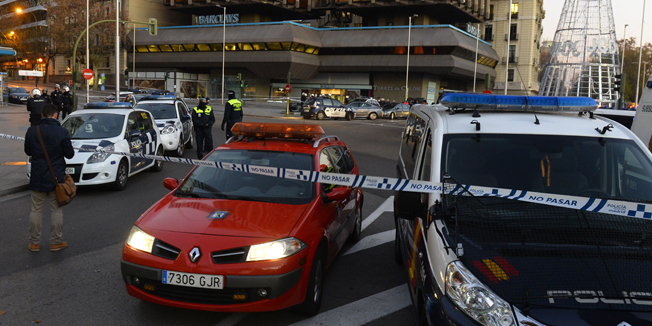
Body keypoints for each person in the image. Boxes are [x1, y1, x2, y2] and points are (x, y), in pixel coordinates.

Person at [24, 103, 75, 252]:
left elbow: (28, 151)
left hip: (37, 176)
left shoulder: (32, 131)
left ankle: (34, 243)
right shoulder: (62, 132)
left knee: (36, 210)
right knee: (56, 210)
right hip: (56, 177)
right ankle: (55, 242)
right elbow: (69, 154)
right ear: (55, 115)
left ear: (41, 115)